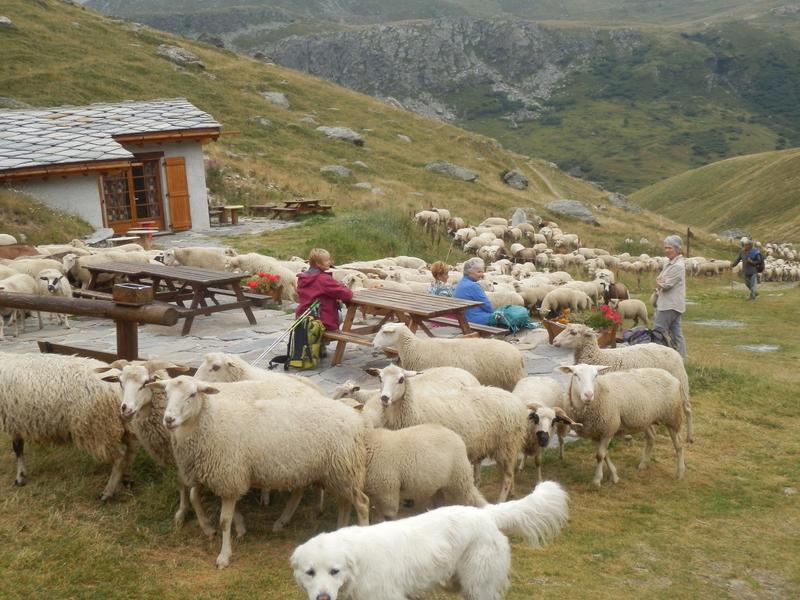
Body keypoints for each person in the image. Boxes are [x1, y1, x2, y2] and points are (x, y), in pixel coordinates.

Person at [295, 248, 353, 331]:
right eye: (327, 260)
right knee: (339, 315)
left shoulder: (303, 278)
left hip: (303, 318)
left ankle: (320, 341)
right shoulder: (323, 279)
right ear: (318, 264)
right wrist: (343, 287)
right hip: (321, 321)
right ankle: (324, 340)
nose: (330, 262)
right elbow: (347, 295)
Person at [654, 234, 687, 359]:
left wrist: (660, 282)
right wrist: (660, 281)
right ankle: (681, 358)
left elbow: (665, 284)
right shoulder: (670, 263)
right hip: (672, 304)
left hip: (670, 304)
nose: (667, 250)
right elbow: (660, 279)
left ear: (677, 249)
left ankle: (658, 357)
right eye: (665, 248)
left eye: (670, 248)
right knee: (676, 332)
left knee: (658, 331)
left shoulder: (677, 266)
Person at [453, 257, 495, 326]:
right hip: (475, 320)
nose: (482, 275)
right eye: (478, 272)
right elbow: (489, 308)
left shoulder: (460, 283)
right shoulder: (473, 286)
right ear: (469, 272)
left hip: (462, 318)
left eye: (482, 271)